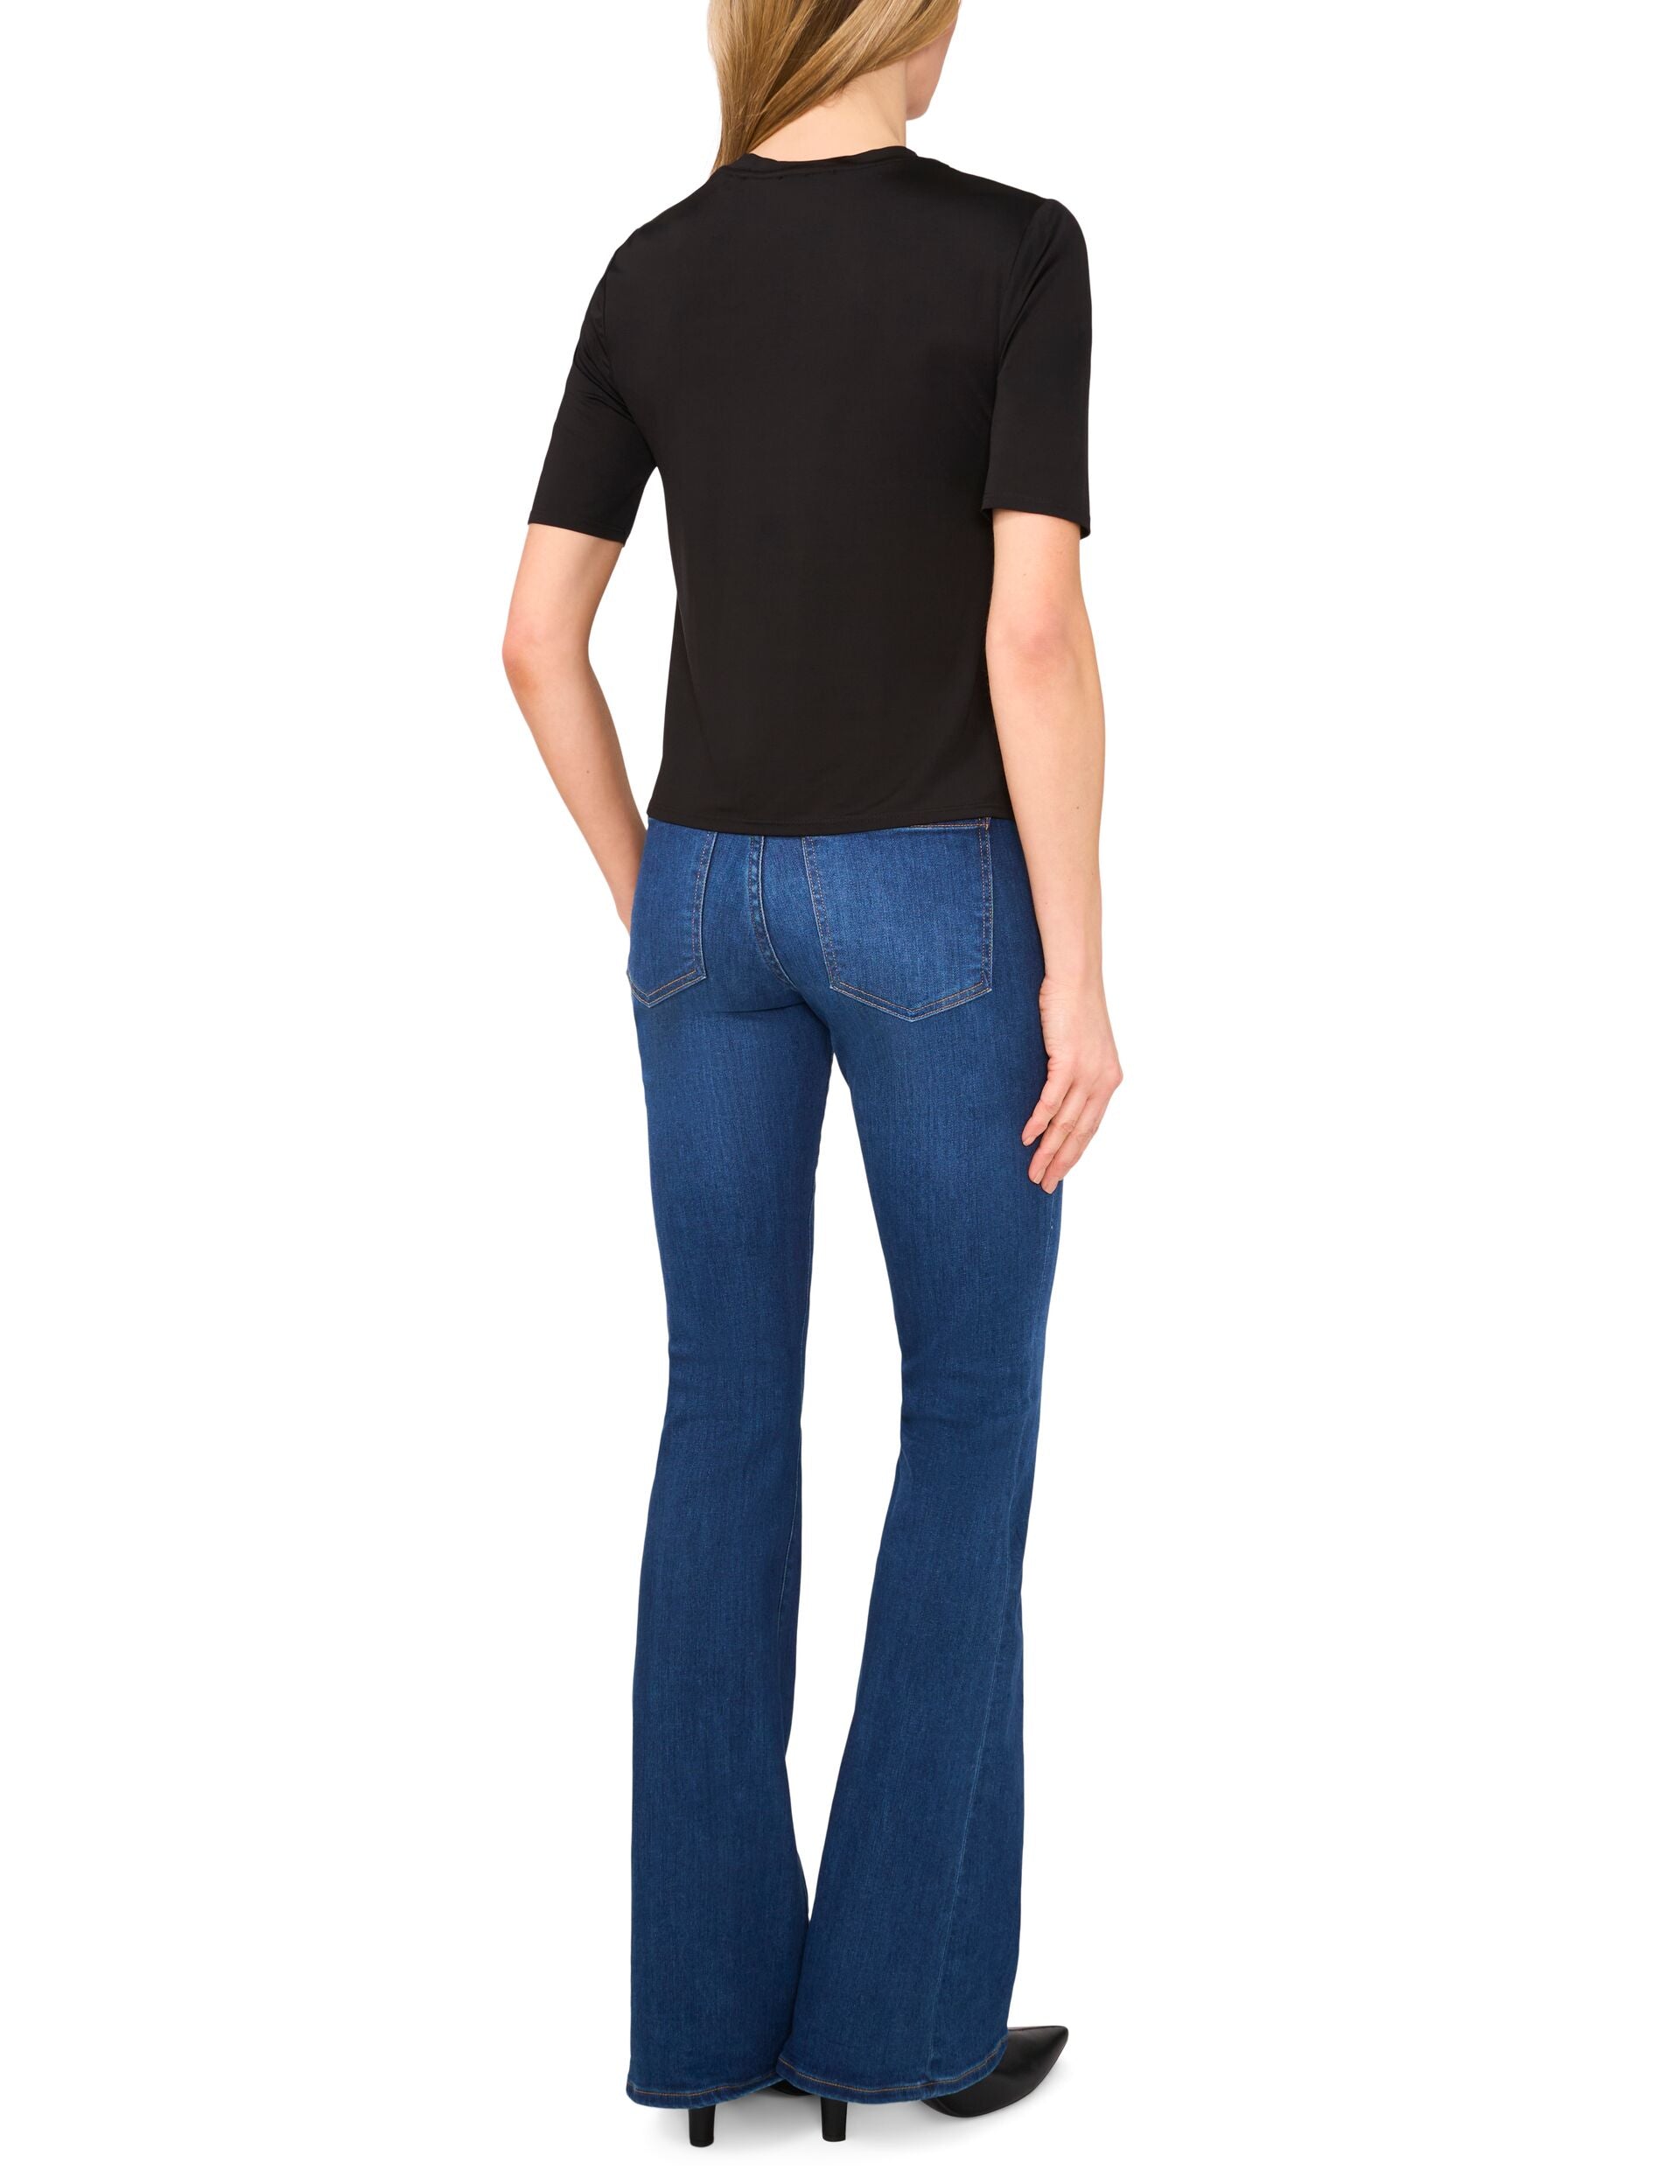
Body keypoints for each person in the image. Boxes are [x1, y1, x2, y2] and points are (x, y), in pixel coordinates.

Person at [502, 0, 1121, 2146]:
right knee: (966, 1426)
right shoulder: (1016, 250)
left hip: (709, 896)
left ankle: (705, 2033)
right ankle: (902, 2025)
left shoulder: (653, 267)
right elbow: (1030, 633)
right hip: (941, 903)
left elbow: (534, 638)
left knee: (722, 1418)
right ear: (907, 18)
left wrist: (651, 893)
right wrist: (1079, 969)